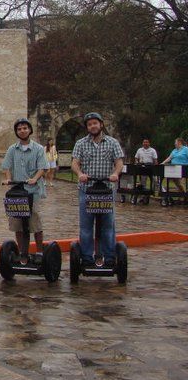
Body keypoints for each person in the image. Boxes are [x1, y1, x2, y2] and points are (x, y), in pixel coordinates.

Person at [71, 112, 124, 268]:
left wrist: (115, 173)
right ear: (87, 127)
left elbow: (119, 162)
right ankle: (87, 257)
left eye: (95, 123)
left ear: (101, 124)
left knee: (108, 225)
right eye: (89, 124)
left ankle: (108, 257)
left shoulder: (112, 142)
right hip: (87, 189)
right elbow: (75, 162)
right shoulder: (81, 143)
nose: (93, 126)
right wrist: (80, 174)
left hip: (106, 189)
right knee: (86, 225)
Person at [1, 119, 49, 262]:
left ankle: (39, 251)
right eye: (20, 129)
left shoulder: (38, 149)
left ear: (30, 130)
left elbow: (43, 168)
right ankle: (23, 252)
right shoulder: (12, 149)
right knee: (17, 223)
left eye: (25, 128)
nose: (22, 131)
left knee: (34, 220)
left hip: (32, 191)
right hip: (16, 190)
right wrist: (8, 179)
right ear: (16, 132)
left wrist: (35, 178)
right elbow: (6, 166)